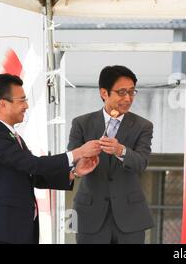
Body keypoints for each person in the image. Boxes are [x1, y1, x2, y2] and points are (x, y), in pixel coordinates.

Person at [0, 73, 100, 244]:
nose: (27, 106)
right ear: (2, 104)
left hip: (17, 228)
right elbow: (32, 165)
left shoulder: (12, 135)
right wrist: (78, 153)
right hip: (5, 229)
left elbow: (32, 175)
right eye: (22, 100)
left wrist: (74, 172)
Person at [68, 65, 154, 244]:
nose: (128, 98)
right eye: (121, 92)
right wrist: (83, 158)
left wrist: (121, 151)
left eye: (132, 92)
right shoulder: (81, 123)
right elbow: (71, 161)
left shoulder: (143, 126)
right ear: (104, 93)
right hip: (89, 214)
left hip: (130, 215)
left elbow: (141, 163)